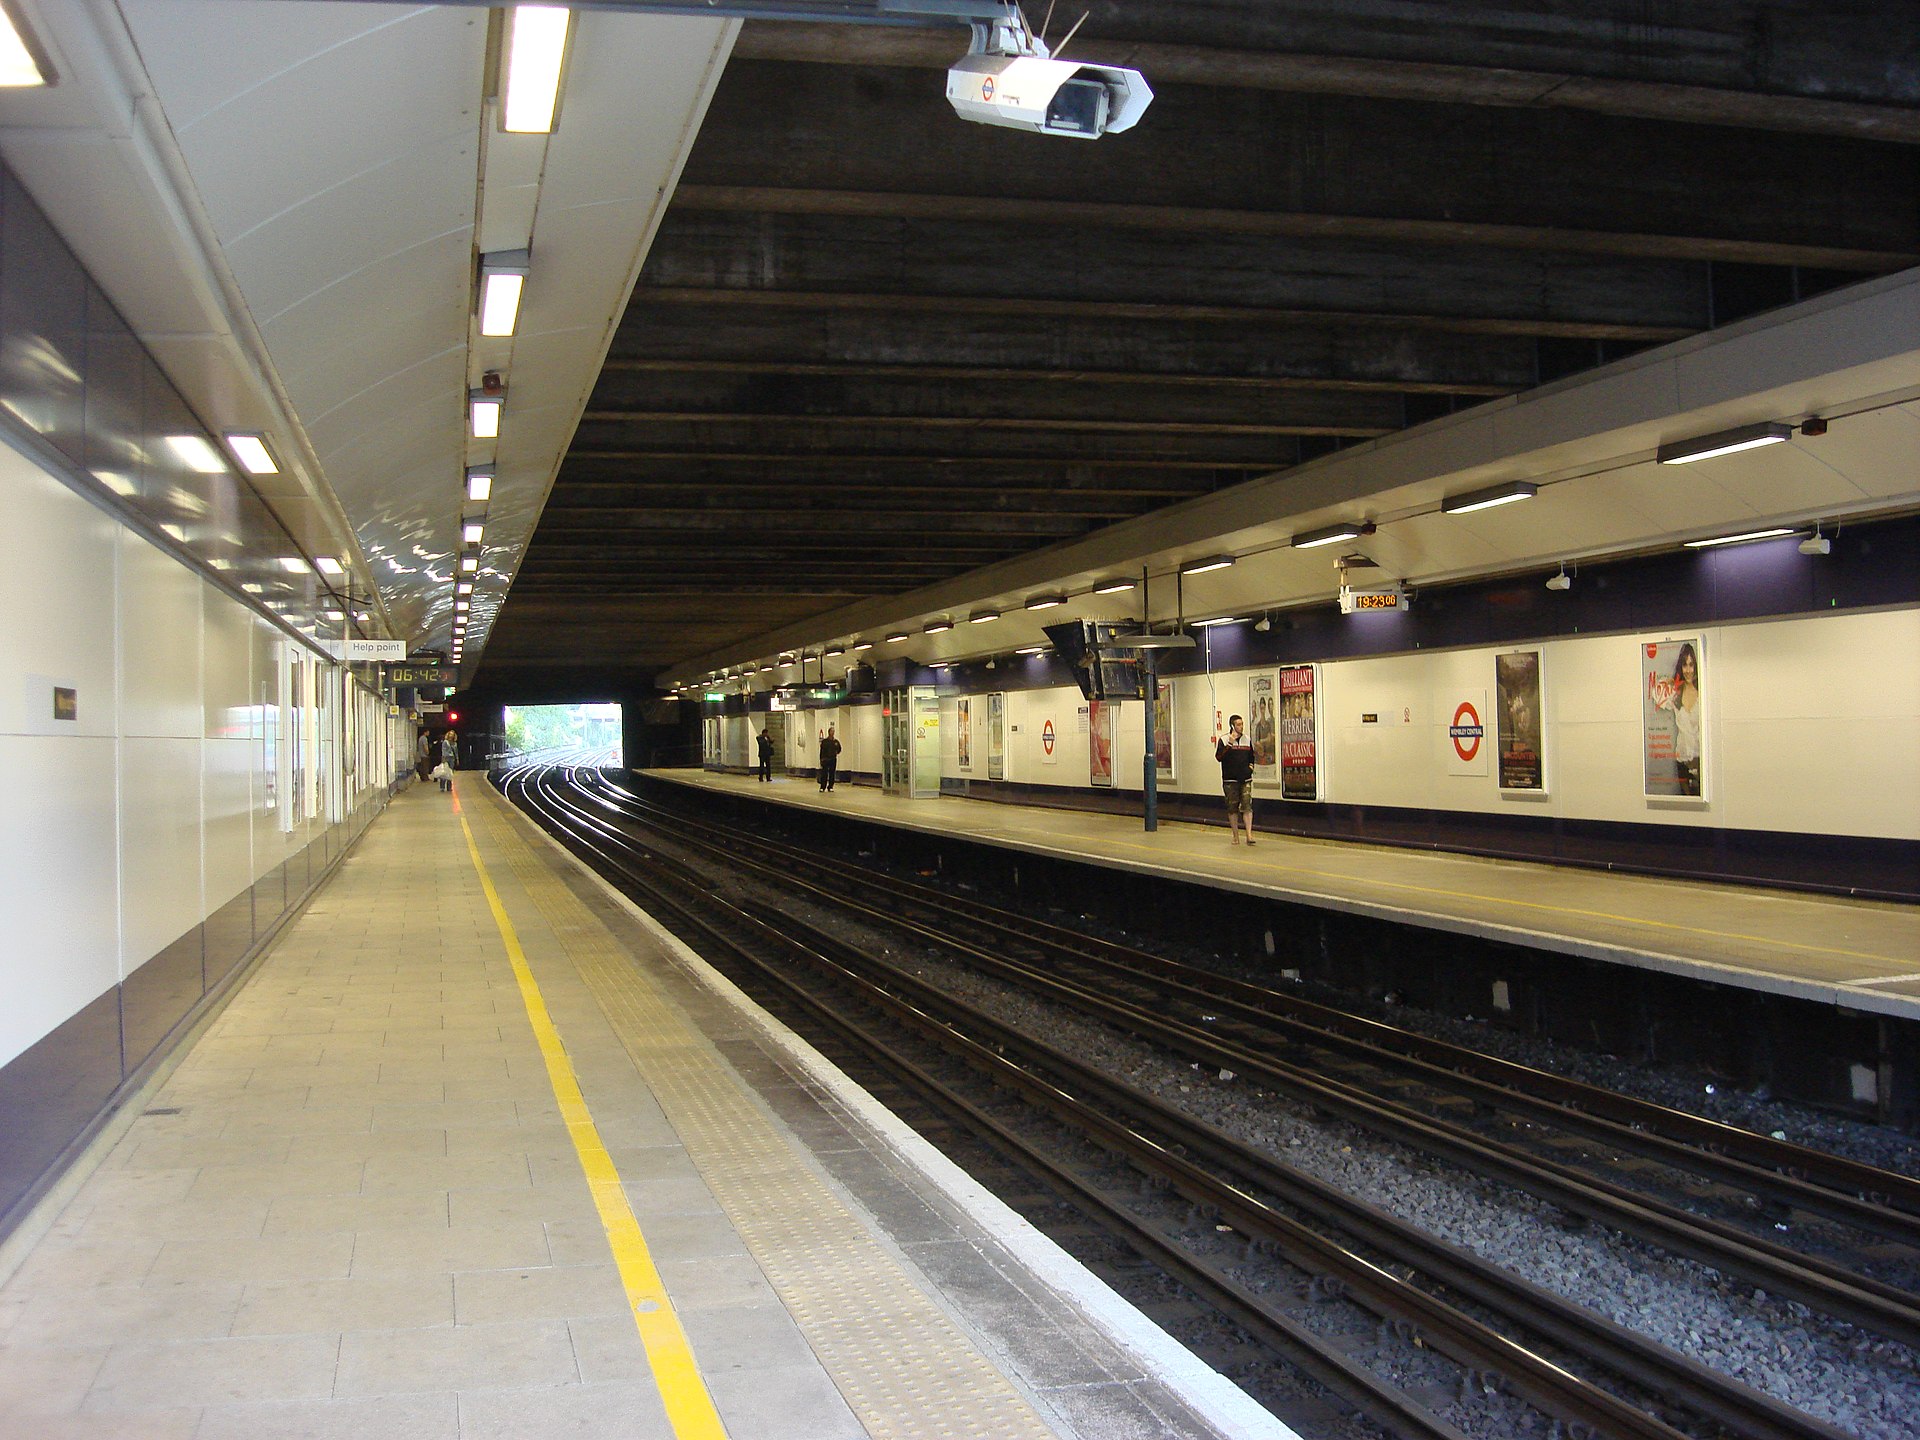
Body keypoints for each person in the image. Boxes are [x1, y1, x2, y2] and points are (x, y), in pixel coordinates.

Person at [1658, 643, 1702, 795]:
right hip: (1681, 759)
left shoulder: (1702, 693)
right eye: (1684, 665)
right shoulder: (1676, 694)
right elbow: (1657, 695)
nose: (1688, 670)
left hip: (1699, 759)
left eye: (1691, 665)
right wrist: (1669, 681)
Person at [1214, 712, 1256, 845]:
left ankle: (1249, 835)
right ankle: (1235, 835)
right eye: (1238, 724)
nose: (1241, 726)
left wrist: (1250, 768)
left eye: (1242, 724)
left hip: (1245, 779)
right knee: (1232, 808)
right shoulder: (1224, 739)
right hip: (1230, 780)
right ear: (1232, 726)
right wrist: (1229, 745)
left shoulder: (1247, 739)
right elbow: (1219, 757)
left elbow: (1251, 756)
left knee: (1247, 806)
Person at [818, 725, 841, 792]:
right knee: (824, 773)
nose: (833, 733)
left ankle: (830, 786)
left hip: (833, 759)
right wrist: (821, 759)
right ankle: (822, 786)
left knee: (832, 773)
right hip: (825, 759)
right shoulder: (825, 741)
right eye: (831, 731)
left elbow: (839, 749)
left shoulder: (836, 742)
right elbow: (822, 751)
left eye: (833, 731)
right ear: (829, 732)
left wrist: (836, 753)